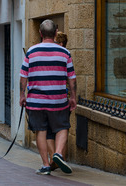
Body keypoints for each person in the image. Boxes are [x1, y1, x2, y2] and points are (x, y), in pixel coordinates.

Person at [20, 20, 77, 175]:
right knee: (62, 127)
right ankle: (58, 153)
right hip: (58, 100)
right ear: (56, 32)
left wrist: (22, 95)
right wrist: (73, 97)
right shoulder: (65, 53)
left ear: (40, 33)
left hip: (35, 101)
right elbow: (72, 78)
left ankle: (46, 164)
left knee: (40, 131)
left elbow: (23, 77)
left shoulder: (31, 52)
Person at [47, 31, 68, 171]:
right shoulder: (66, 55)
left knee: (48, 131)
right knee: (62, 128)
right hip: (61, 98)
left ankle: (52, 159)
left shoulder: (44, 54)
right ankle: (60, 156)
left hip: (44, 99)